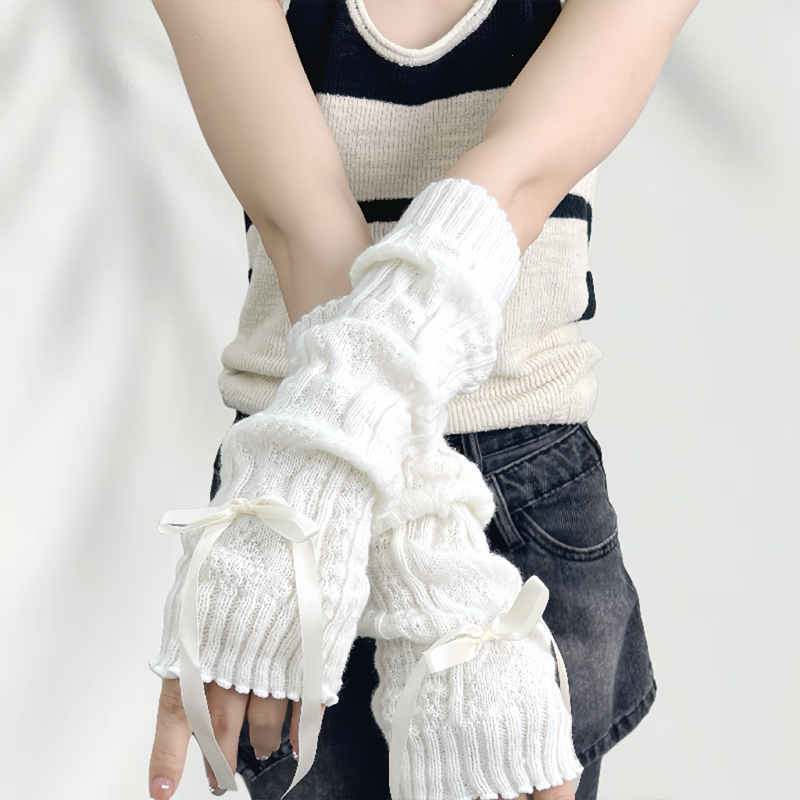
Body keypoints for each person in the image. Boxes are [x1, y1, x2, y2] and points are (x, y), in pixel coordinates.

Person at [145, 1, 700, 799]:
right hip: (298, 497)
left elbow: (519, 175)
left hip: (488, 493)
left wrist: (420, 559)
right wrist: (427, 558)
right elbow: (301, 217)